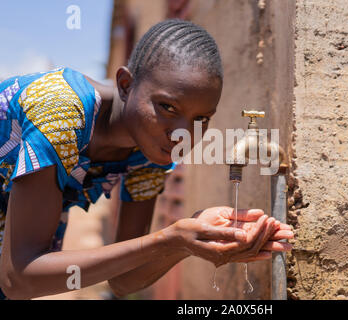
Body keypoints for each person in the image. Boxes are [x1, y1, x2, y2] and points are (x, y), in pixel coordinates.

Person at [0, 19, 293, 300]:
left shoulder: (149, 156)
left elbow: (124, 281)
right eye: (167, 107)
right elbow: (19, 278)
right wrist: (168, 240)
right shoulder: (61, 113)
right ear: (126, 85)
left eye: (201, 118)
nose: (183, 135)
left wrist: (187, 240)